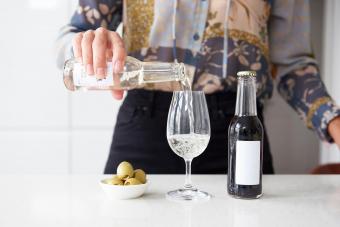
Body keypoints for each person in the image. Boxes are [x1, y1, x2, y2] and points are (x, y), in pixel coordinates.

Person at [56, 0, 340, 174]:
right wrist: (88, 46)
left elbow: (293, 65)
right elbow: (73, 34)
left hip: (237, 129)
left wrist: (334, 123)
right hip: (145, 123)